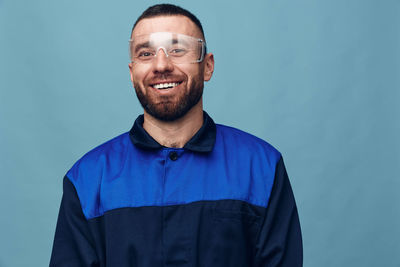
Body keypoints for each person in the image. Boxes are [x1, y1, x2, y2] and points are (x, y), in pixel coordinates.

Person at [50, 4, 302, 267]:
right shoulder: (88, 179)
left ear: (207, 66)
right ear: (132, 72)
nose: (161, 65)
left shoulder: (260, 167)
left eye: (177, 50)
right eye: (146, 53)